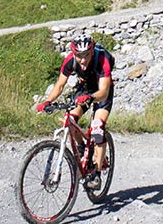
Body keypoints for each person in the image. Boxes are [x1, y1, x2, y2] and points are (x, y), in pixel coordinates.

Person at [36, 33, 114, 190]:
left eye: (86, 55)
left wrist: (91, 98)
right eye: (79, 56)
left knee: (97, 128)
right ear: (74, 53)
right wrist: (47, 102)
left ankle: (97, 174)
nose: (83, 60)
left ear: (92, 51)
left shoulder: (102, 58)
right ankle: (81, 147)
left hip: (101, 92)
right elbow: (59, 85)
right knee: (70, 119)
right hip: (84, 89)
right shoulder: (70, 60)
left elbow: (104, 91)